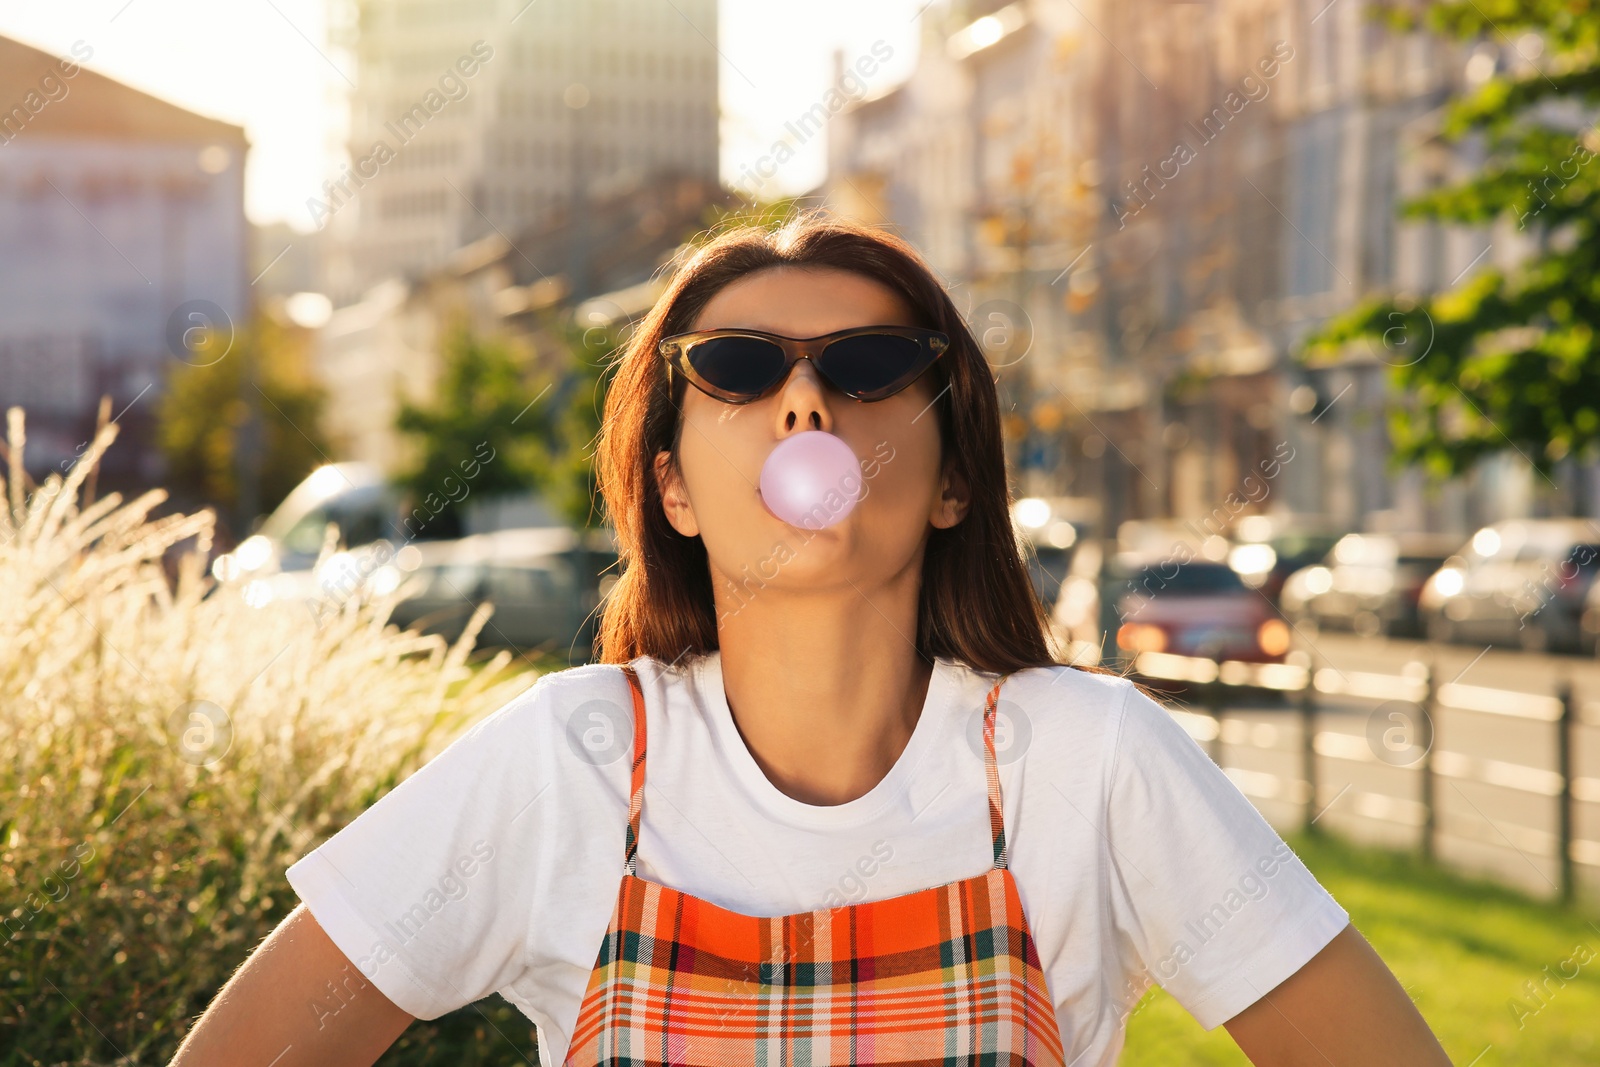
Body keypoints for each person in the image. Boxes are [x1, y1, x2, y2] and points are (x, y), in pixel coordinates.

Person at [170, 211, 1451, 1066]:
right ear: (669, 485)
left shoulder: (1089, 760)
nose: (803, 400)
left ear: (952, 478)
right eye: (733, 365)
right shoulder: (567, 761)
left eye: (872, 361)